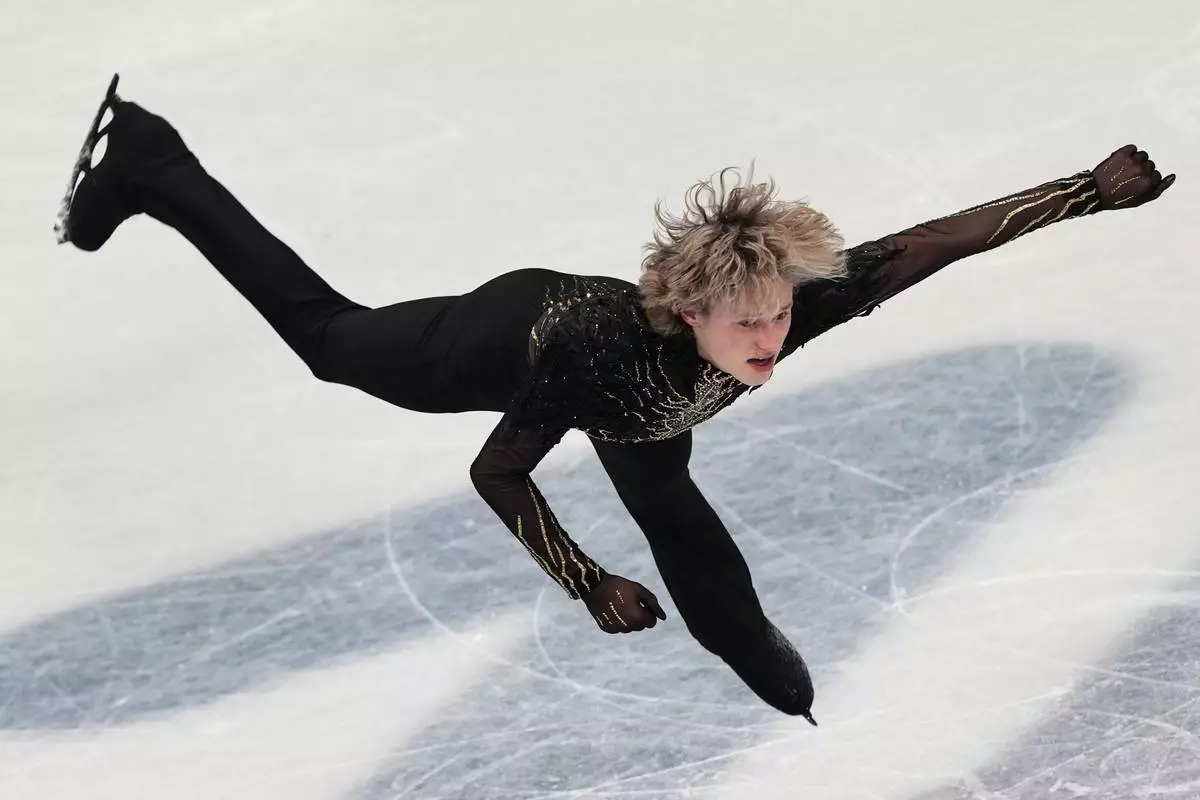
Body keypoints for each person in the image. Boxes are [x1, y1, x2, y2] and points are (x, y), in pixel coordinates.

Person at [54, 74, 1175, 724]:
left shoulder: (781, 305)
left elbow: (933, 242)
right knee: (330, 342)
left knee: (689, 536)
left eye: (780, 318)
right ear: (691, 313)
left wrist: (1085, 190)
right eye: (750, 328)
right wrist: (588, 583)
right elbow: (498, 469)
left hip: (649, 409)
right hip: (514, 335)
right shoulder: (594, 355)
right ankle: (157, 166)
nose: (773, 343)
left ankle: (783, 691)